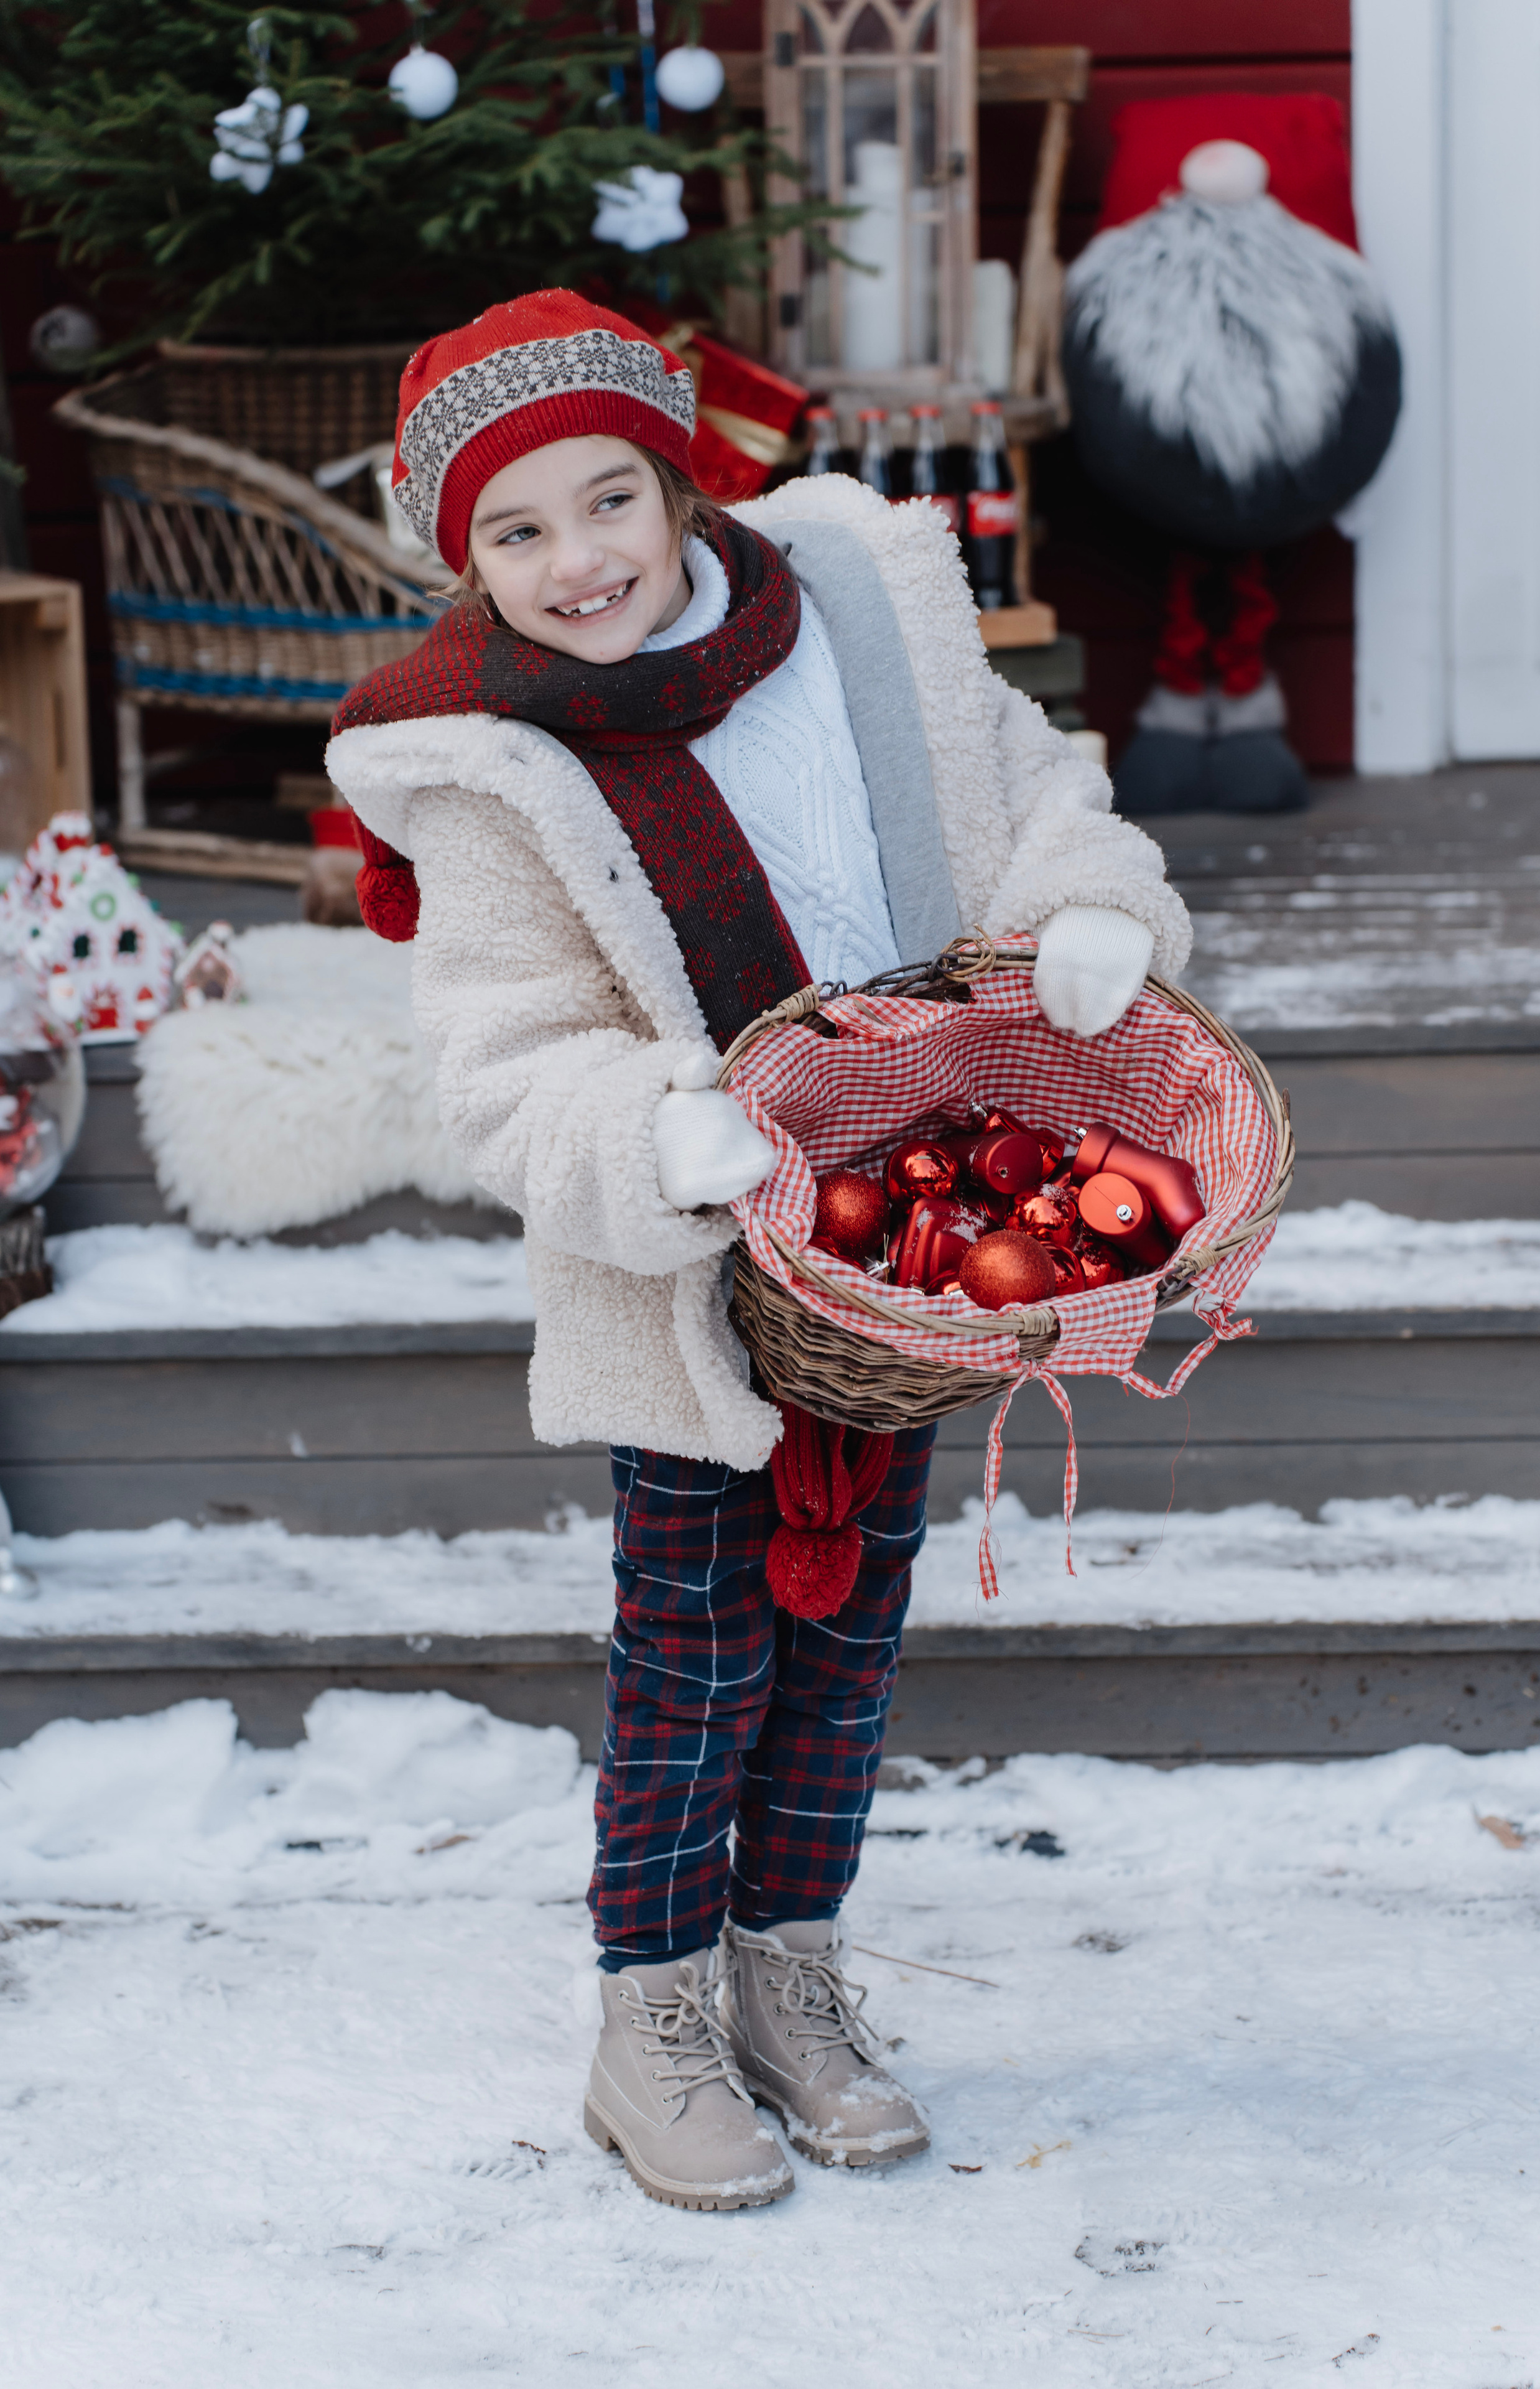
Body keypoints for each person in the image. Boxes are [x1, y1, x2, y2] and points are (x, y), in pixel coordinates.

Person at [327, 291, 1190, 2213]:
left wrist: (1083, 917)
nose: (579, 563)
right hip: (696, 1278)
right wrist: (659, 1132)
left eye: (608, 499)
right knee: (698, 1646)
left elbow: (1029, 787)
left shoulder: (860, 625)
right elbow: (502, 1062)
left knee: (851, 1637)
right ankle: (652, 2013)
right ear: (460, 558)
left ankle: (787, 1973)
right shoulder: (484, 765)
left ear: (684, 475)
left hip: (918, 1239)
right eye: (516, 534)